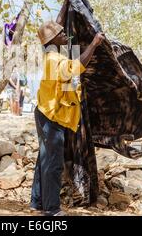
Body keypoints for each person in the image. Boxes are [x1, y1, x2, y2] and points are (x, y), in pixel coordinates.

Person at [30, 20, 104, 216]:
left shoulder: (53, 56)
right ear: (52, 39)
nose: (65, 35)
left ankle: (37, 202)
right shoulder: (55, 59)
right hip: (51, 116)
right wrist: (94, 44)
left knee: (44, 161)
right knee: (52, 164)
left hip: (47, 113)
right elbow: (77, 67)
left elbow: (60, 23)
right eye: (60, 33)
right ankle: (52, 210)